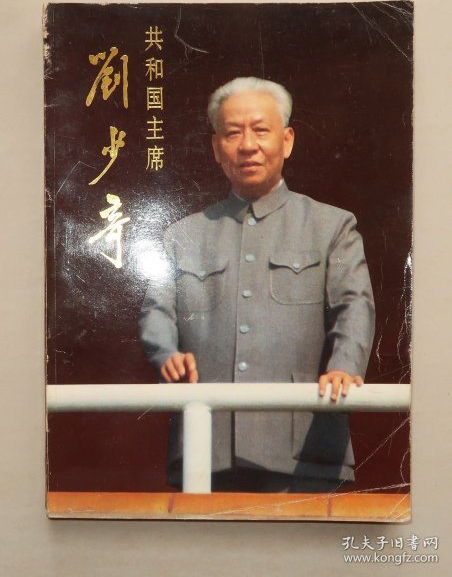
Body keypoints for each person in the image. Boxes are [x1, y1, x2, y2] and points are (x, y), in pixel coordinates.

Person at [139, 77, 375, 493]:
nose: (247, 145)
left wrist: (344, 366)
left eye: (261, 130)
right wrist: (166, 354)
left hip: (302, 447)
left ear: (287, 140)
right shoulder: (182, 235)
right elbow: (157, 310)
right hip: (206, 446)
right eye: (233, 133)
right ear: (217, 148)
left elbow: (354, 305)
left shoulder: (331, 226)